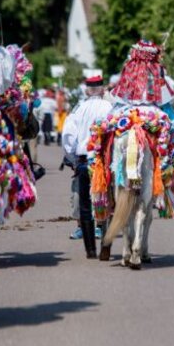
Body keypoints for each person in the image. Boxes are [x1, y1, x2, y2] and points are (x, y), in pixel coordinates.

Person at [62, 76, 112, 258]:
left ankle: (90, 250)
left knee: (85, 205)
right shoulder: (110, 107)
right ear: (102, 89)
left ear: (86, 90)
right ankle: (106, 244)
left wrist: (73, 158)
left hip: (84, 160)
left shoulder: (79, 109)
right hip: (105, 160)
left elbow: (68, 137)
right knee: (108, 201)